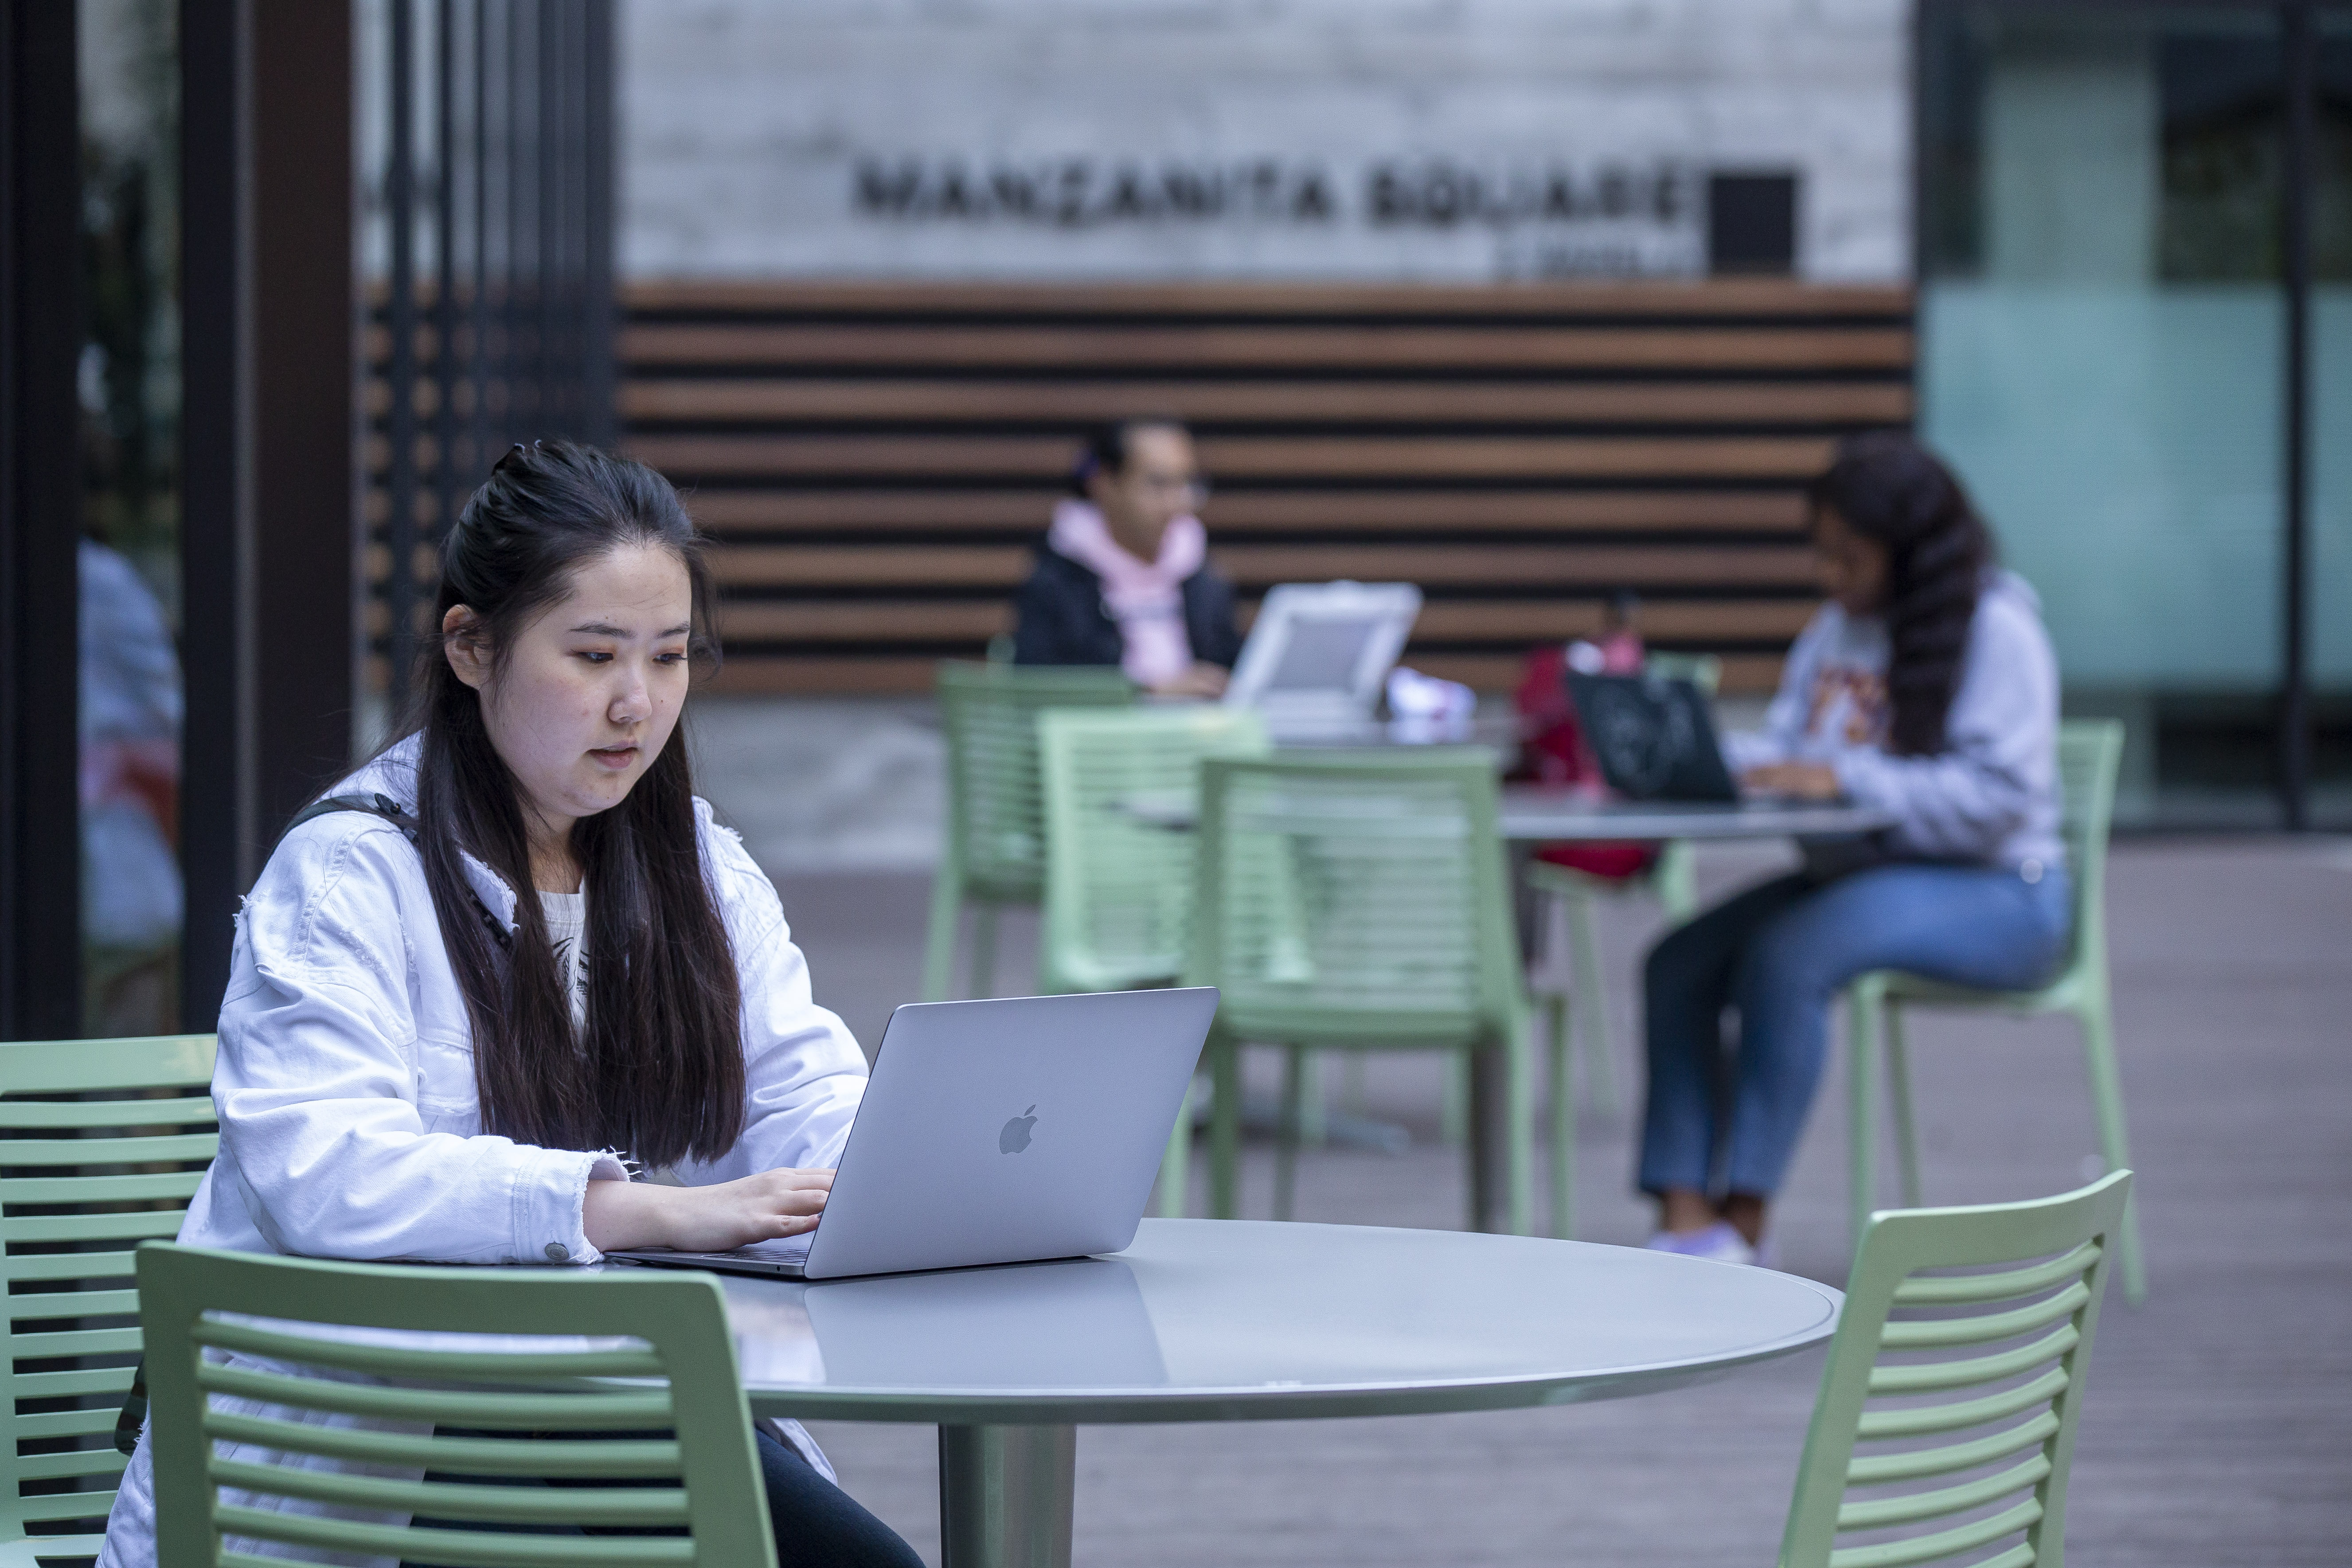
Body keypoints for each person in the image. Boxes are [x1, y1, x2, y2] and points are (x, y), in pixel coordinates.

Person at [97, 442, 922, 1568]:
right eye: (592, 655)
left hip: (584, 1397)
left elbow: (803, 1087)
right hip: (358, 1450)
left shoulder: (688, 860)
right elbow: (327, 1168)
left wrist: (896, 1187)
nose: (637, 703)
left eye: (670, 657)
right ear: (472, 646)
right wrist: (629, 1210)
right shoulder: (351, 872)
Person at [1639, 431, 2071, 1265]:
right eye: (1821, 552)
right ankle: (1684, 1216)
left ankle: (1744, 1224)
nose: (1828, 575)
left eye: (1849, 556)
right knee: (1679, 961)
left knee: (1789, 955)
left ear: (1910, 554)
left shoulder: (1998, 628)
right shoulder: (1836, 629)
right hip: (1866, 879)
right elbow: (1789, 751)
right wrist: (1703, 759)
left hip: (2004, 892)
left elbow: (1999, 799)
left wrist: (1846, 781)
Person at [1011, 417, 1241, 695]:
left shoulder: (1198, 571)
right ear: (1104, 484)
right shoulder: (1059, 577)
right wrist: (1145, 691)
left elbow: (1229, 661)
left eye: (1185, 484)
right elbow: (1039, 684)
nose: (1177, 503)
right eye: (1159, 485)